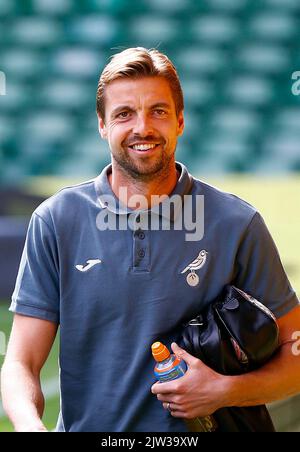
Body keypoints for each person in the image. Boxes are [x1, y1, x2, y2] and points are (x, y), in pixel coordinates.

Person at [1, 47, 300, 432]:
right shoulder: (56, 220)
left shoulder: (237, 223)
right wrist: (29, 426)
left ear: (179, 121)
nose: (142, 127)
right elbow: (21, 362)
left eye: (157, 111)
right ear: (102, 126)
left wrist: (225, 390)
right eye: (124, 113)